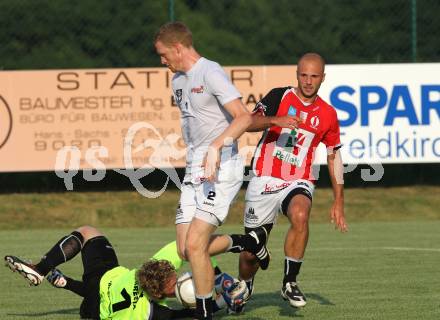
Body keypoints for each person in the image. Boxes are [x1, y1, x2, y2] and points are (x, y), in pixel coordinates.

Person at [154, 22, 270, 319]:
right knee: (185, 249)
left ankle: (205, 311)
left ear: (178, 48)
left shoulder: (211, 72)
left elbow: (243, 118)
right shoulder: (177, 81)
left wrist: (216, 147)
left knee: (196, 244)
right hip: (194, 171)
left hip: (222, 167)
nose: (162, 60)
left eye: (164, 54)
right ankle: (246, 242)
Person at [237, 52, 348, 309]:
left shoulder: (328, 114)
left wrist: (339, 200)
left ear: (323, 78)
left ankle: (289, 282)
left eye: (314, 76)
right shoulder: (279, 96)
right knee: (249, 255)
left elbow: (334, 156)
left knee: (300, 214)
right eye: (303, 75)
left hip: (298, 180)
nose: (308, 81)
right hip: (263, 179)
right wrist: (276, 120)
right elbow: (249, 122)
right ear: (297, 74)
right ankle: (245, 284)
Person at [4, 225, 241, 319]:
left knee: (86, 232)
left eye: (177, 280)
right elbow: (192, 315)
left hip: (102, 280)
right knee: (96, 295)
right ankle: (56, 278)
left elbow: (190, 248)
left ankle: (40, 269)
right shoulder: (152, 313)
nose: (177, 276)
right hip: (94, 311)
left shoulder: (144, 271)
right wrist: (223, 300)